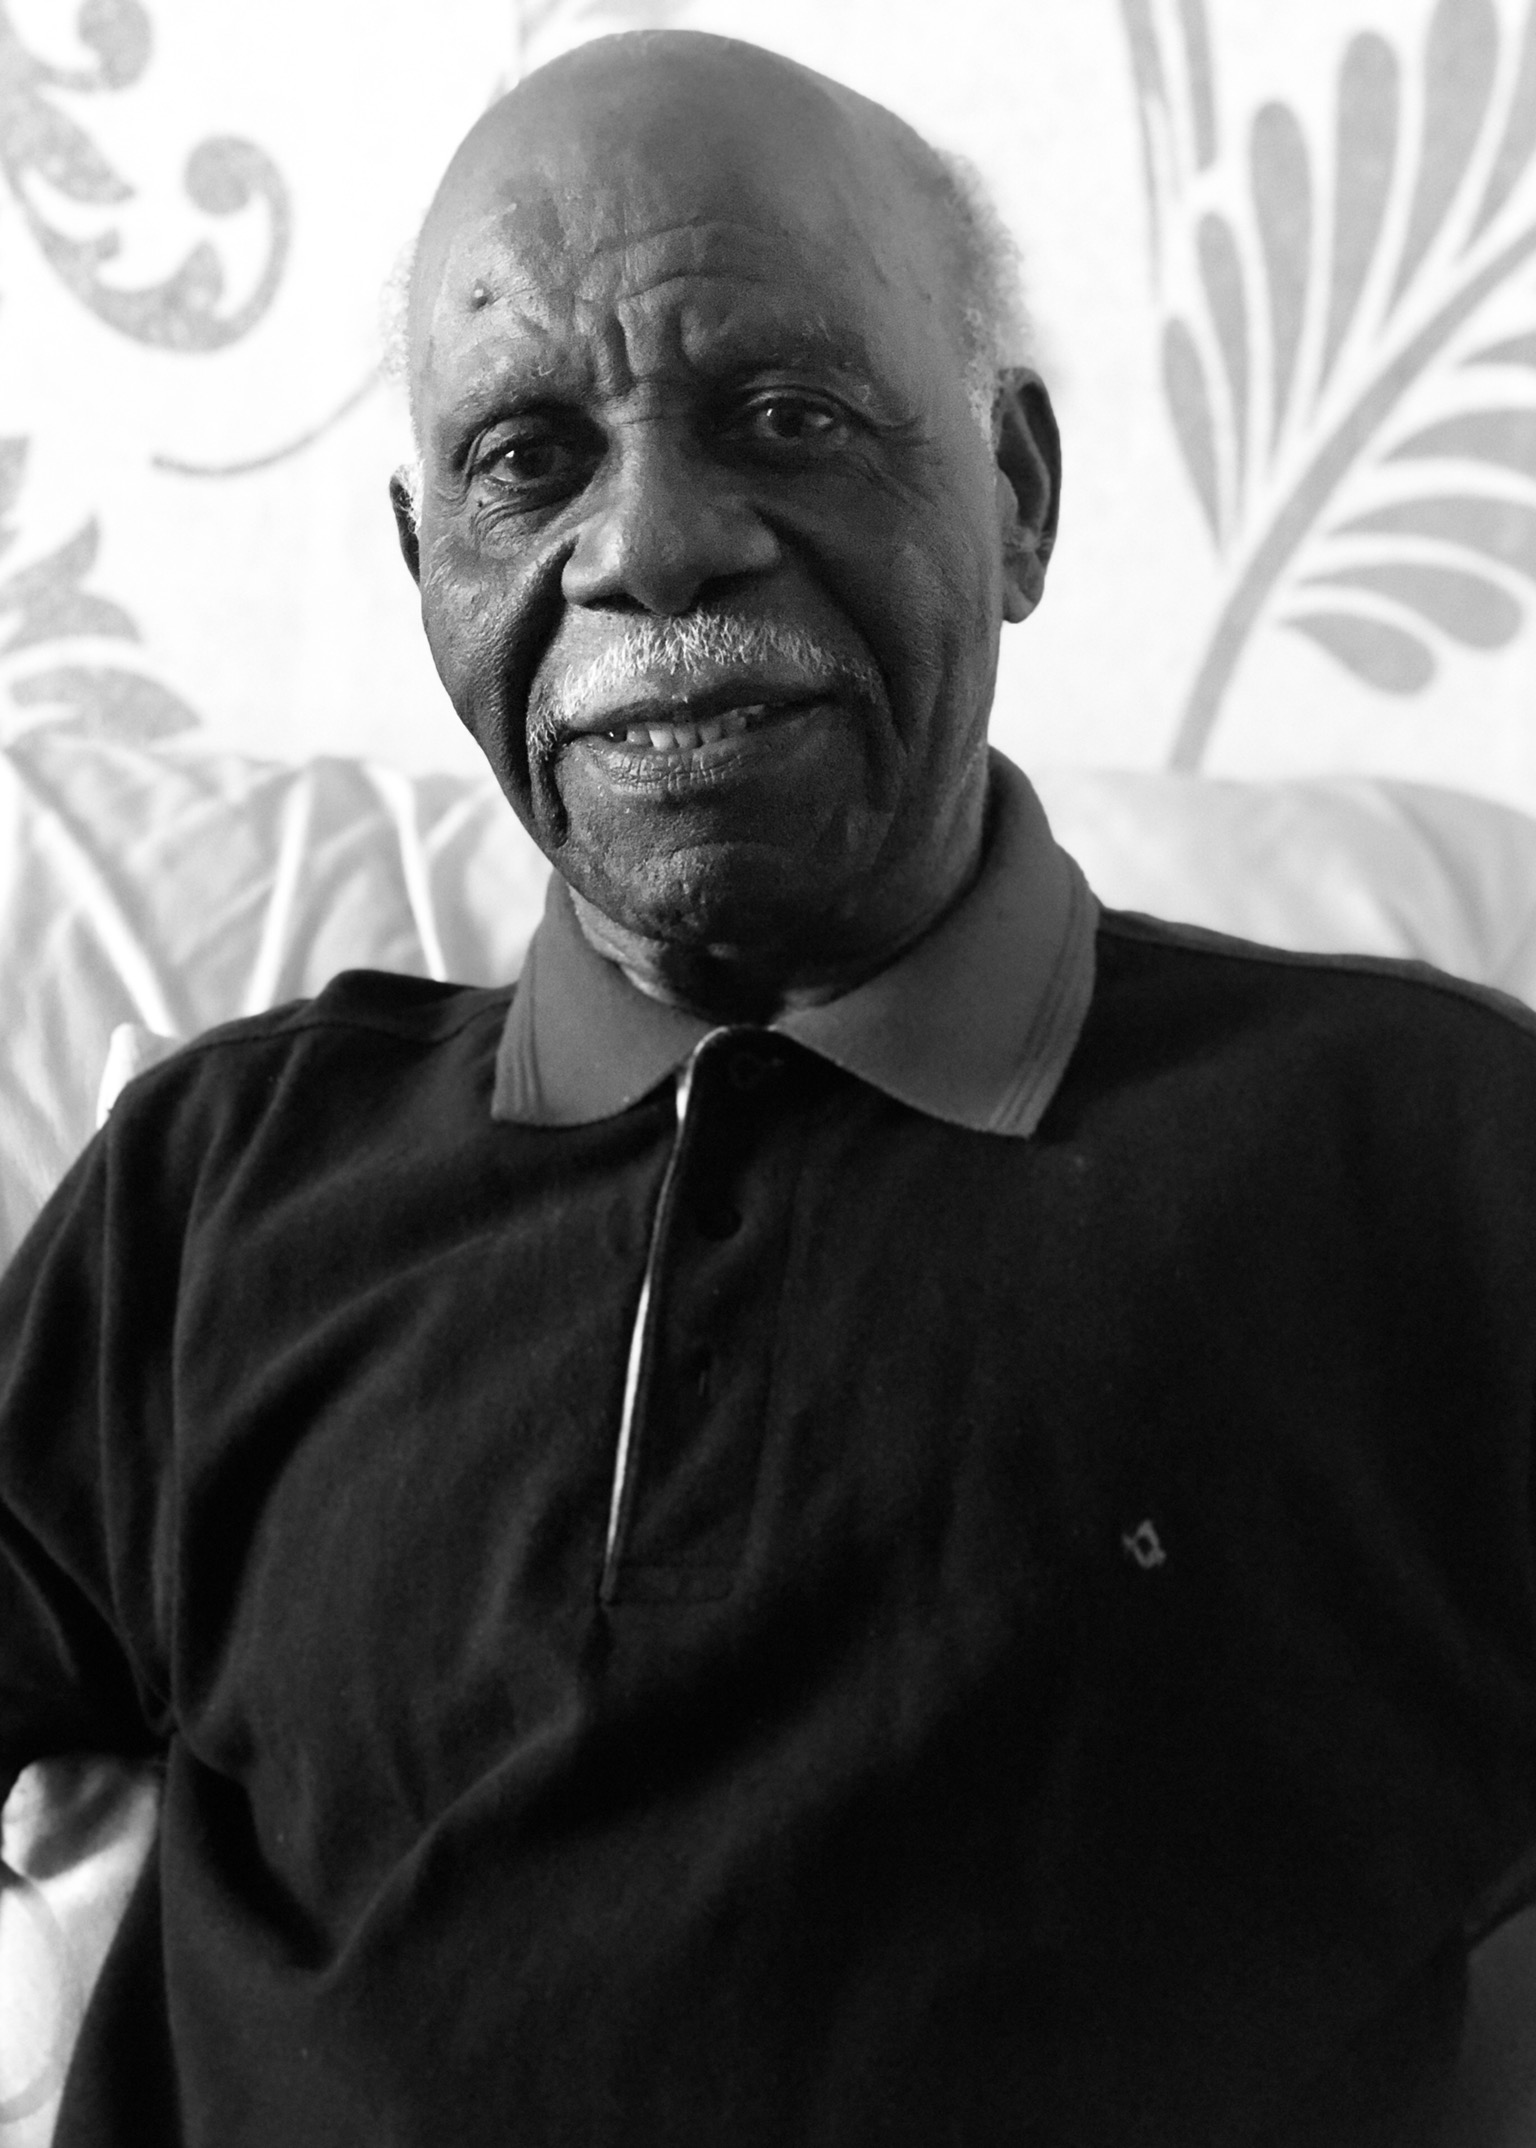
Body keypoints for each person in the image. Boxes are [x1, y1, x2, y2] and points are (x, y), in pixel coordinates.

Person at [3, 28, 1536, 2147]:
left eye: (788, 417)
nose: (650, 544)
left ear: (1016, 491)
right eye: (525, 461)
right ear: (426, 562)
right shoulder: (215, 1182)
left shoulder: (1436, 1157)